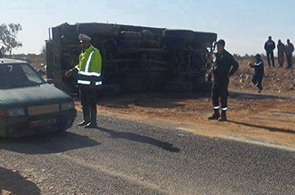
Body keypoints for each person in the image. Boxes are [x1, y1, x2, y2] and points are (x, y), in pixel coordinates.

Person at [65, 34, 102, 128]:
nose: (82, 44)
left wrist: (93, 82)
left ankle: (93, 122)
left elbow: (96, 69)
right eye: (81, 43)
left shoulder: (94, 53)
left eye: (84, 43)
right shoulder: (83, 54)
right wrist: (72, 71)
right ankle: (86, 120)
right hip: (82, 83)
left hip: (91, 84)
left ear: (88, 42)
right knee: (84, 102)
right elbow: (80, 66)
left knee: (92, 103)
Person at [208, 39, 239, 122]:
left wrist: (230, 74)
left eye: (219, 46)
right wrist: (212, 71)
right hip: (216, 79)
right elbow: (214, 64)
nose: (217, 47)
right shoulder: (216, 55)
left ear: (223, 46)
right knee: (214, 96)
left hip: (223, 79)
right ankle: (216, 113)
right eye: (217, 46)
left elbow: (236, 65)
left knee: (223, 97)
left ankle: (223, 115)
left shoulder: (227, 56)